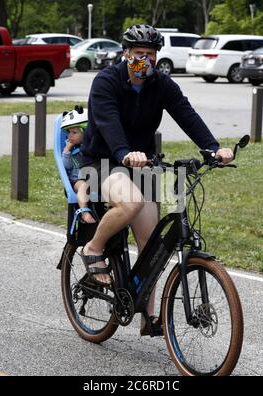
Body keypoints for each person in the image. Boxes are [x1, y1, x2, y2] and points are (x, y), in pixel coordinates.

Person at [78, 25, 234, 335]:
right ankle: (93, 248)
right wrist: (124, 153)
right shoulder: (106, 82)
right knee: (132, 202)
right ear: (126, 53)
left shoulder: (161, 84)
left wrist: (213, 148)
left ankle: (147, 317)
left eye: (150, 54)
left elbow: (185, 113)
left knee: (151, 245)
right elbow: (107, 122)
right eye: (139, 54)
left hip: (142, 162)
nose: (145, 60)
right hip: (102, 161)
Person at [61, 107, 96, 224]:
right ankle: (84, 212)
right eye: (69, 132)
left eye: (74, 132)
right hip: (76, 180)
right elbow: (66, 166)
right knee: (84, 186)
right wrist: (66, 151)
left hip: (94, 179)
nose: (70, 136)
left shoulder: (92, 147)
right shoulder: (71, 150)